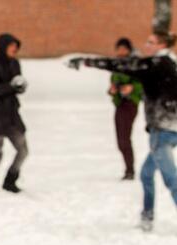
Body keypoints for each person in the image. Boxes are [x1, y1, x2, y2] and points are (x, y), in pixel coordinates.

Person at [68, 32, 177, 231]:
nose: (147, 45)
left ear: (162, 44)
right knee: (146, 175)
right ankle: (147, 218)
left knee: (172, 180)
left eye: (151, 42)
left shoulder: (155, 64)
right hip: (171, 128)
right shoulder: (171, 63)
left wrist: (86, 61)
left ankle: (147, 218)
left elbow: (120, 65)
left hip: (161, 131)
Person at [0, 33, 29, 193]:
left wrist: (20, 87)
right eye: (11, 46)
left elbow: (16, 86)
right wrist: (11, 86)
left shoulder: (15, 63)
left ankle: (10, 180)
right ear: (3, 47)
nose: (14, 49)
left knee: (23, 150)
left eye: (16, 47)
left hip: (12, 116)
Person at [109, 38, 143, 180]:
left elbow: (141, 83)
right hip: (119, 104)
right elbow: (113, 83)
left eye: (124, 48)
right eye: (119, 48)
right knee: (120, 140)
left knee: (124, 139)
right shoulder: (117, 65)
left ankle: (130, 170)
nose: (121, 51)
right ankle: (129, 169)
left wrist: (132, 87)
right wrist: (113, 90)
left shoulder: (134, 65)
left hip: (130, 104)